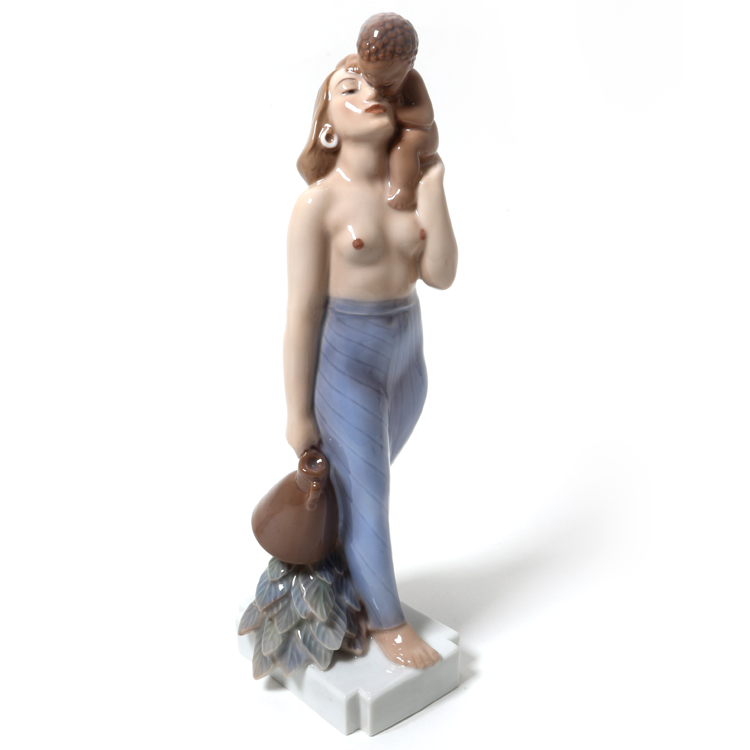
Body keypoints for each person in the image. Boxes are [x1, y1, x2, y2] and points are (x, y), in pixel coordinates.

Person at [284, 61, 458, 668]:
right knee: (369, 496)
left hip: (407, 354)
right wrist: (298, 412)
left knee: (360, 491)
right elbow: (301, 312)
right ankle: (388, 624)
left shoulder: (404, 186)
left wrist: (433, 187)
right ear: (327, 123)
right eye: (348, 87)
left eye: (375, 85)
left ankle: (345, 576)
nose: (368, 93)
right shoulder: (318, 204)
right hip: (348, 360)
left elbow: (440, 274)